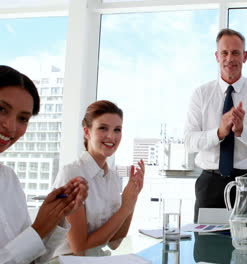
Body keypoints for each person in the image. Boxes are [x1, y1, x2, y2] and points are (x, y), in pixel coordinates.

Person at [184, 28, 247, 222]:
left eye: (236, 52)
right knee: (207, 248)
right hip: (209, 185)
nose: (229, 58)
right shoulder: (200, 94)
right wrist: (218, 132)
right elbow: (188, 141)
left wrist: (243, 131)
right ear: (217, 56)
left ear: (245, 56)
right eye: (224, 53)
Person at [0, 65, 88, 263]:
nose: (11, 126)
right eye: (2, 109)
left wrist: (55, 217)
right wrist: (38, 229)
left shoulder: (10, 180)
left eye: (23, 118)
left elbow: (32, 260)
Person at [53, 100, 145, 256]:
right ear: (87, 132)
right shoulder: (72, 174)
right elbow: (80, 249)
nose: (111, 136)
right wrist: (125, 207)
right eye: (103, 128)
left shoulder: (113, 178)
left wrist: (132, 200)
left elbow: (115, 242)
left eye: (117, 130)